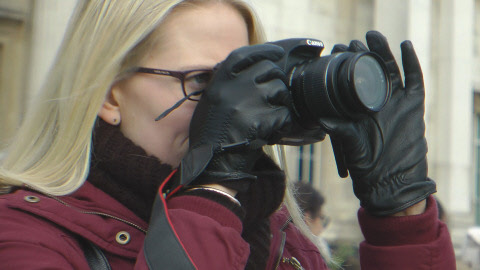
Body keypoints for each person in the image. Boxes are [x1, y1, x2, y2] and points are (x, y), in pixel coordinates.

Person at [0, 0, 456, 269]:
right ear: (109, 95)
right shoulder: (24, 237)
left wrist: (402, 217)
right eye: (203, 83)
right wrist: (212, 186)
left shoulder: (279, 236)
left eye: (243, 81)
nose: (232, 109)